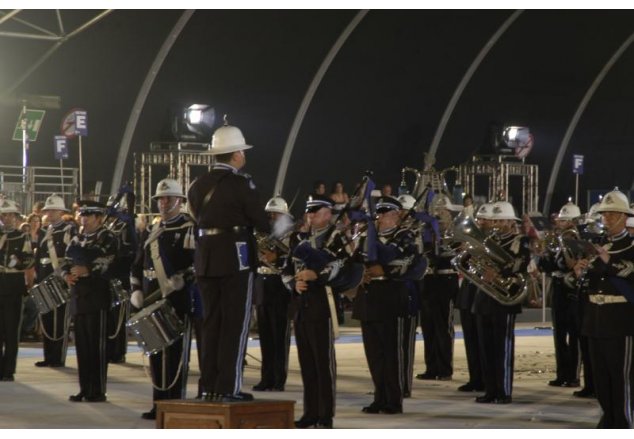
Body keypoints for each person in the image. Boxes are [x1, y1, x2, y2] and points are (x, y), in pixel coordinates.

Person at [187, 120, 270, 402]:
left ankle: (208, 385)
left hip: (206, 259)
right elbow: (261, 222)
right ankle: (228, 387)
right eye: (242, 152)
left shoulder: (197, 185)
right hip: (236, 259)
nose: (244, 156)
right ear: (236, 155)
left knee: (211, 324)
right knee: (235, 323)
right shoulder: (241, 183)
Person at [130, 178, 196, 420]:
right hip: (151, 299)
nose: (164, 203)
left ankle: (174, 403)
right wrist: (136, 289)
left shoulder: (188, 227)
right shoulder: (151, 230)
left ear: (180, 201)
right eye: (160, 199)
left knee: (176, 356)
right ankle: (158, 403)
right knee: (155, 354)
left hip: (176, 301)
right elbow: (137, 264)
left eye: (168, 198)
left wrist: (184, 280)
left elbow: (196, 263)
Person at [283, 195, 350, 428]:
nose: (310, 216)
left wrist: (316, 276)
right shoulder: (298, 238)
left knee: (323, 364)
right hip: (302, 306)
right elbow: (286, 270)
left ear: (328, 214)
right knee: (307, 364)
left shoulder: (336, 237)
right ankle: (310, 412)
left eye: (316, 212)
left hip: (323, 303)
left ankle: (325, 415)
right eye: (309, 212)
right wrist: (294, 284)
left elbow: (341, 266)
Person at [572, 188, 634, 428]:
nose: (606, 219)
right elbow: (593, 282)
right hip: (595, 318)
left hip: (620, 319)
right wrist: (581, 271)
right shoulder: (600, 246)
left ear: (623, 216)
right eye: (604, 214)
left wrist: (608, 260)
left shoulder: (630, 245)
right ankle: (608, 417)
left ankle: (624, 421)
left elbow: (629, 272)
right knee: (600, 375)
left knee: (621, 377)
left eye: (611, 214)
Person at [353, 196, 417, 415]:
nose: (379, 218)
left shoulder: (404, 236)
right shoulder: (366, 236)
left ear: (395, 216)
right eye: (378, 214)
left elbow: (402, 261)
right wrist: (359, 274)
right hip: (369, 297)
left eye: (385, 214)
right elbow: (353, 261)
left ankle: (394, 399)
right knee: (374, 354)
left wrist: (383, 269)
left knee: (391, 353)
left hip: (391, 297)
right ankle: (380, 397)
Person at [471, 200, 530, 404]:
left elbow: (521, 262)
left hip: (505, 297)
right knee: (486, 347)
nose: (497, 223)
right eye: (495, 220)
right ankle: (490, 389)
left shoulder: (519, 240)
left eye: (501, 220)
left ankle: (503, 391)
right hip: (485, 296)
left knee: (502, 347)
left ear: (510, 221)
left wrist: (497, 272)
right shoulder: (489, 240)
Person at [63, 200, 117, 402]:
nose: (83, 219)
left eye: (88, 215)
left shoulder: (107, 237)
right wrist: (66, 275)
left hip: (97, 295)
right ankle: (84, 387)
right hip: (79, 294)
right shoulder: (77, 237)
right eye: (82, 215)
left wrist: (88, 269)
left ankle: (98, 389)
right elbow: (66, 261)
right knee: (82, 345)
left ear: (98, 217)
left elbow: (110, 260)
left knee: (97, 345)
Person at [252, 196, 294, 392]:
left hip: (279, 288)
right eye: (269, 214)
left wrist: (276, 258)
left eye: (275, 214)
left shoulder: (290, 235)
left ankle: (279, 379)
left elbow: (293, 259)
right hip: (262, 287)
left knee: (279, 337)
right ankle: (266, 377)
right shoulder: (261, 233)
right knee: (266, 338)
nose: (271, 217)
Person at [416, 194, 460, 381]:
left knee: (443, 327)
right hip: (428, 282)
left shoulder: (455, 233)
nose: (440, 215)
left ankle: (445, 368)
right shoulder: (426, 232)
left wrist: (439, 255)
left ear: (449, 213)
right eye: (436, 212)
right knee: (428, 326)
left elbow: (457, 257)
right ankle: (431, 367)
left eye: (443, 211)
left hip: (445, 280)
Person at [539, 201, 582, 388]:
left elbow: (570, 265)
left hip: (571, 289)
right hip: (558, 287)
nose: (560, 224)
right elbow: (547, 267)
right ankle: (561, 373)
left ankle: (573, 375)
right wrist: (545, 254)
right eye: (561, 220)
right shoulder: (558, 241)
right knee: (559, 334)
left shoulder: (576, 240)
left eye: (565, 221)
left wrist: (560, 254)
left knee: (574, 334)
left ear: (573, 222)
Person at [34, 195, 77, 368]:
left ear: (60, 211)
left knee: (60, 319)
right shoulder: (45, 231)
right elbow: (39, 257)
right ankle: (48, 356)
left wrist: (65, 275)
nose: (49, 213)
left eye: (52, 210)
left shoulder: (69, 230)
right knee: (47, 318)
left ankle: (58, 356)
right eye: (47, 210)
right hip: (45, 277)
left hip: (59, 278)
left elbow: (72, 254)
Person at [454, 203, 492, 393]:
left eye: (485, 220)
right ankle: (475, 378)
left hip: (482, 292)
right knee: (470, 339)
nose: (481, 222)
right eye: (480, 219)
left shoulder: (491, 242)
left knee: (483, 340)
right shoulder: (472, 241)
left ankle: (486, 379)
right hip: (468, 292)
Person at [0, 199, 34, 381]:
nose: (7, 218)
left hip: (13, 284)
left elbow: (30, 260)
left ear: (15, 217)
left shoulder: (22, 237)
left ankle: (9, 370)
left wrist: (18, 262)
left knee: (12, 330)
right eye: (4, 215)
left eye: (10, 215)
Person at [104, 185, 137, 364]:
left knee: (119, 317)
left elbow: (132, 249)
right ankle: (110, 349)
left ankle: (118, 351)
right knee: (110, 316)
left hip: (121, 276)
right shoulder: (111, 224)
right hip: (109, 275)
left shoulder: (126, 224)